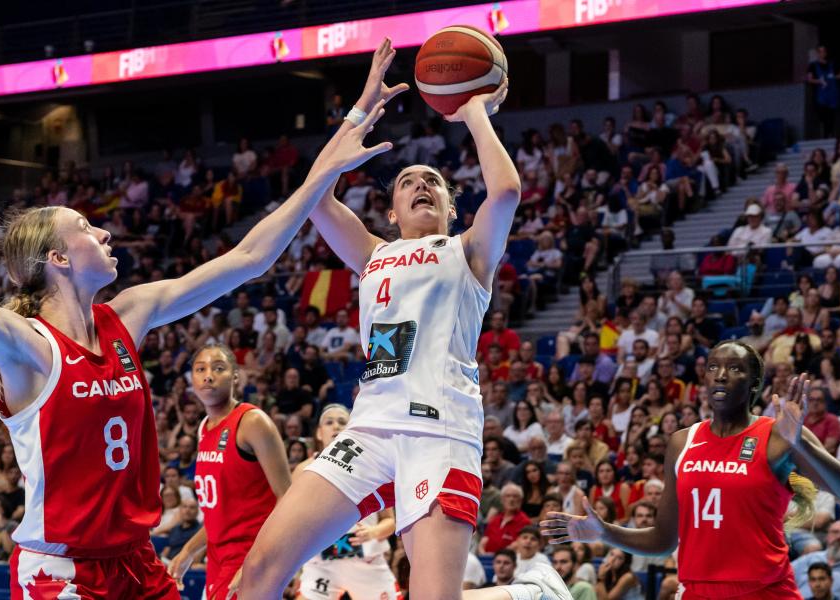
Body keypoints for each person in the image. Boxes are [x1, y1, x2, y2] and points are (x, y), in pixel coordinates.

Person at [0, 65, 390, 595]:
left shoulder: (129, 314)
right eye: (87, 228)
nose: (105, 233)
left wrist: (326, 164)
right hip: (60, 572)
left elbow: (249, 258)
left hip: (138, 562)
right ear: (59, 258)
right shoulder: (26, 348)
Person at [238, 41, 567, 600]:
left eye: (433, 182)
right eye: (408, 182)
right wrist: (358, 113)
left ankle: (527, 593)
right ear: (390, 212)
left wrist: (474, 113)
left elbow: (507, 190)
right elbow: (316, 198)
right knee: (261, 571)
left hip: (441, 432)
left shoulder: (469, 251)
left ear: (450, 208)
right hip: (369, 427)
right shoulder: (372, 253)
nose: (421, 185)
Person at [544, 341, 840, 598]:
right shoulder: (681, 442)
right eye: (714, 367)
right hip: (698, 591)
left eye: (735, 368)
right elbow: (664, 539)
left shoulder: (778, 434)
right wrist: (605, 532)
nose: (722, 375)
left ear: (755, 382)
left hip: (765, 592)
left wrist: (800, 443)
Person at [167, 346, 291, 600]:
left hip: (250, 558)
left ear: (236, 377)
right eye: (200, 369)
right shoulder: (204, 428)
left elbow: (287, 501)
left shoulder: (252, 422)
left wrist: (257, 560)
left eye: (218, 368)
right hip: (217, 560)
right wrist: (189, 551)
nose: (208, 375)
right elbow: (218, 515)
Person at [294, 405, 401, 600]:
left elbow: (391, 522)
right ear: (319, 433)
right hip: (322, 565)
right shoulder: (304, 470)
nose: (336, 426)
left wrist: (373, 532)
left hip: (366, 562)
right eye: (329, 422)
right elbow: (288, 524)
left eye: (342, 422)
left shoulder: (374, 467)